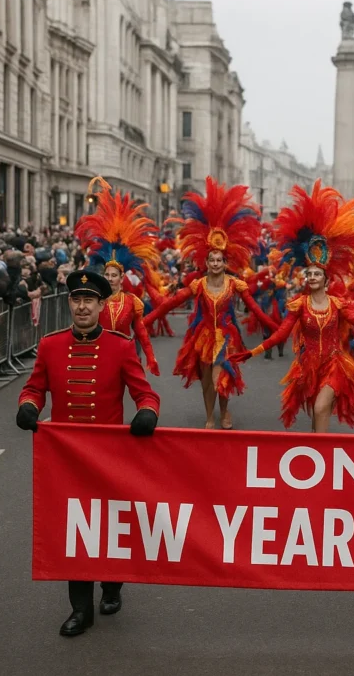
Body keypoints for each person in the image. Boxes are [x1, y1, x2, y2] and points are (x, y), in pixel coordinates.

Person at [15, 270, 160, 638]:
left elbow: (146, 394)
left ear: (101, 305)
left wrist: (146, 413)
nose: (82, 307)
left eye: (89, 301)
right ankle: (81, 610)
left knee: (109, 527)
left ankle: (112, 586)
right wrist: (29, 406)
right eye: (76, 300)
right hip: (66, 458)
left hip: (110, 457)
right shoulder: (50, 345)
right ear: (69, 304)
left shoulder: (121, 345)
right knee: (73, 532)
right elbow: (34, 388)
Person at [231, 181, 354, 431]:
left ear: (325, 279)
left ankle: (321, 456)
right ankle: (318, 454)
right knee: (316, 415)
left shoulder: (339, 304)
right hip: (308, 367)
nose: (311, 278)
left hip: (335, 364)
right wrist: (254, 351)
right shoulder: (299, 305)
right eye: (309, 274)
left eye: (316, 275)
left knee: (322, 407)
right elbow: (281, 333)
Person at [143, 177, 278, 430]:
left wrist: (278, 329)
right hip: (203, 336)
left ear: (226, 263)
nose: (215, 263)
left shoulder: (235, 285)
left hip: (227, 336)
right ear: (206, 262)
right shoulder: (199, 285)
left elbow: (257, 311)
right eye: (212, 260)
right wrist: (143, 321)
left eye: (219, 260)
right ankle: (210, 416)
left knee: (222, 376)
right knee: (206, 381)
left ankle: (224, 411)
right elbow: (169, 305)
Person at [74, 177, 162, 375]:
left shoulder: (132, 302)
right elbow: (82, 327)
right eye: (108, 274)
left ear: (121, 278)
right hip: (100, 356)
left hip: (124, 356)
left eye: (114, 275)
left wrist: (150, 357)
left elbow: (140, 332)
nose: (110, 278)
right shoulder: (95, 301)